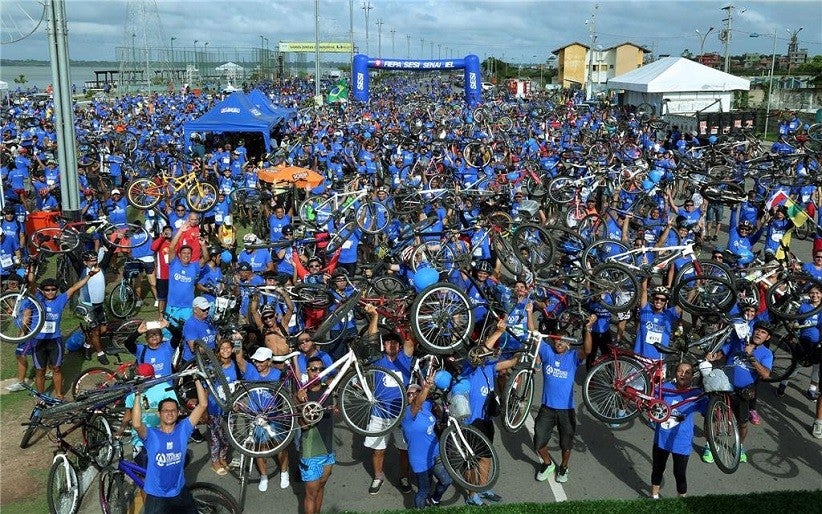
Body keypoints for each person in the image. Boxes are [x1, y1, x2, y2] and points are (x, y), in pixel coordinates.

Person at [463, 319, 519, 505]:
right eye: (492, 349)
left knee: (485, 457)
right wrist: (498, 332)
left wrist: (528, 354)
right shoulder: (469, 366)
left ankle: (484, 488)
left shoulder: (489, 367)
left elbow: (511, 362)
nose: (495, 352)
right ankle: (472, 494)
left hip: (486, 421)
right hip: (471, 422)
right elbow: (479, 353)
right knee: (472, 460)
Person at [132, 375, 208, 513]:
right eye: (166, 410)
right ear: (158, 414)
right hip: (157, 497)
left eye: (173, 410)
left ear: (178, 413)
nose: (169, 413)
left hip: (180, 492)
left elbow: (202, 405)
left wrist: (197, 379)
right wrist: (138, 394)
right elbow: (137, 424)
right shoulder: (151, 435)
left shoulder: (183, 429)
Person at [534, 316, 594, 484]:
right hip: (547, 408)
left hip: (566, 410)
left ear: (568, 344)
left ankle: (564, 467)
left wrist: (588, 328)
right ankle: (547, 464)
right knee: (538, 442)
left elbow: (588, 350)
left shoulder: (573, 357)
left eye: (562, 342)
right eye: (556, 342)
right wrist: (529, 311)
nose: (558, 344)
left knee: (566, 444)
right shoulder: (547, 352)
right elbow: (535, 335)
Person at [362, 303, 414, 495]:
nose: (391, 345)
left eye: (395, 343)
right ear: (384, 345)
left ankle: (404, 477)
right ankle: (378, 477)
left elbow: (411, 339)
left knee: (404, 450)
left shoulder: (405, 358)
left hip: (401, 413)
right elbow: (371, 337)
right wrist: (375, 316)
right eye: (388, 342)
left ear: (399, 346)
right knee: (378, 450)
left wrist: (406, 318)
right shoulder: (378, 359)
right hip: (379, 414)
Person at [706, 320, 773, 463]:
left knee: (742, 424)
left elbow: (766, 374)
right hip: (724, 386)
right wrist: (713, 357)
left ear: (767, 337)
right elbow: (721, 354)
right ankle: (710, 445)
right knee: (714, 417)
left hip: (743, 393)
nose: (758, 333)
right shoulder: (739, 342)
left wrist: (751, 357)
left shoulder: (766, 354)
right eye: (757, 330)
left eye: (763, 332)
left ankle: (739, 445)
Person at [28, 272, 96, 398]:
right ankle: (41, 397)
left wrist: (90, 275)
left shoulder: (61, 299)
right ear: (42, 291)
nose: (50, 292)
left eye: (53, 289)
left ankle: (59, 395)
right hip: (38, 341)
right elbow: (31, 283)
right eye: (47, 290)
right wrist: (32, 267)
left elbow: (76, 287)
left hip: (54, 341)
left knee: (57, 368)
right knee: (40, 370)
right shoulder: (37, 298)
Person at [649, 362, 707, 499]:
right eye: (680, 371)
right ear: (675, 373)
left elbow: (708, 410)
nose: (683, 374)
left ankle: (681, 501)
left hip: (681, 442)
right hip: (661, 439)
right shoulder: (664, 388)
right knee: (657, 469)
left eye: (687, 372)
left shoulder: (696, 394)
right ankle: (654, 496)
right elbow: (651, 403)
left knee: (679, 473)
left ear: (692, 376)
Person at [234, 345, 287, 491]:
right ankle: (263, 476)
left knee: (280, 446)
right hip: (256, 418)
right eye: (256, 361)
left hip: (275, 417)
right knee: (259, 448)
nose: (257, 364)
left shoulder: (278, 375)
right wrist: (238, 342)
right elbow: (239, 360)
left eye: (260, 361)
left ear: (269, 361)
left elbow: (286, 397)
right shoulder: (251, 371)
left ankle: (284, 472)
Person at [401, 381, 452, 508]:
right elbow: (417, 404)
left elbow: (434, 401)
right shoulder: (408, 413)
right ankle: (419, 509)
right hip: (420, 461)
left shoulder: (427, 405)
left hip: (436, 454)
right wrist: (426, 388)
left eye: (416, 393)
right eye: (409, 394)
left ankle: (435, 500)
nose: (412, 395)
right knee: (424, 490)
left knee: (446, 480)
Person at [117, 363, 177, 469]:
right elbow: (128, 415)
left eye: (138, 376)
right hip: (146, 437)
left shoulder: (164, 389)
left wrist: (120, 430)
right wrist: (120, 430)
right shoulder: (133, 394)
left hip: (156, 435)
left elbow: (174, 412)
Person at [296, 356, 335, 514]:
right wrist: (302, 403)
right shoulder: (301, 393)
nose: (317, 372)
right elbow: (303, 425)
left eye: (320, 369)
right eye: (313, 369)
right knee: (311, 494)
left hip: (328, 449)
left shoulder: (328, 388)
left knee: (321, 487)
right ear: (308, 370)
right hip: (311, 451)